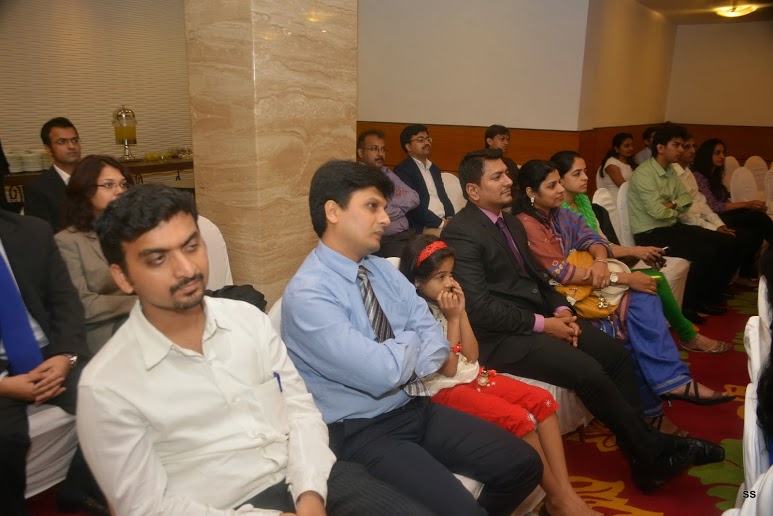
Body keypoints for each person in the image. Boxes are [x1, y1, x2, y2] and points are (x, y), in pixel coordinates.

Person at [79, 184, 423, 515]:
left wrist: (309, 493)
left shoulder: (248, 321)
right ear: (123, 278)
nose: (186, 269)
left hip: (309, 478)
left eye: (191, 246)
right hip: (217, 506)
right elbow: (144, 507)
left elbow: (301, 412)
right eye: (157, 259)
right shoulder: (108, 384)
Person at [442, 148, 724, 494]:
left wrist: (561, 311)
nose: (508, 181)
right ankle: (652, 452)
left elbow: (538, 279)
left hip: (540, 318)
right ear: (473, 190)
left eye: (507, 173)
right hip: (502, 337)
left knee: (616, 356)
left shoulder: (510, 222)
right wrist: (544, 324)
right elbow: (481, 308)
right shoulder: (461, 232)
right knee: (589, 371)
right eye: (497, 176)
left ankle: (644, 456)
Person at [281, 160, 542, 515]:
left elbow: (436, 341)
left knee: (523, 465)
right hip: (362, 432)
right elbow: (382, 374)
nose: (385, 219)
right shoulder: (309, 294)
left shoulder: (380, 269)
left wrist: (401, 349)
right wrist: (410, 341)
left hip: (416, 407)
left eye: (384, 208)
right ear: (333, 211)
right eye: (372, 206)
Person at [514, 159, 732, 436]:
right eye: (552, 185)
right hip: (560, 301)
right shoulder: (527, 224)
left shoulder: (561, 214)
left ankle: (665, 392)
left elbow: (595, 241)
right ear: (531, 192)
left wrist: (600, 262)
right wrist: (624, 278)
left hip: (590, 288)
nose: (559, 190)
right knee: (634, 313)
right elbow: (564, 274)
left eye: (559, 182)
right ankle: (663, 395)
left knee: (645, 297)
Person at [400, 234, 599, 516]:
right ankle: (558, 499)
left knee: (543, 402)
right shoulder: (415, 315)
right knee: (520, 420)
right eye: (439, 277)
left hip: (471, 375)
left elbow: (472, 355)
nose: (449, 283)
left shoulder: (449, 303)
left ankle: (564, 492)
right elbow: (449, 367)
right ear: (417, 282)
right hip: (443, 390)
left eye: (451, 274)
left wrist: (462, 312)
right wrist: (453, 318)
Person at [552, 150, 730, 354]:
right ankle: (686, 336)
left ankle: (681, 337)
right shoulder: (558, 212)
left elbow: (602, 243)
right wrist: (635, 251)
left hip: (600, 264)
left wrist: (637, 251)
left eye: (585, 171)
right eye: (577, 174)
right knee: (653, 280)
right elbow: (577, 254)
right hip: (581, 275)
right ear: (560, 179)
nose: (585, 177)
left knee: (654, 279)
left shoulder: (583, 203)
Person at [0, 209, 101, 515]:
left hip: (49, 352)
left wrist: (65, 355)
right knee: (5, 438)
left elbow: (65, 302)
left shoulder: (32, 231)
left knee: (119, 391)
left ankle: (79, 491)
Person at [627, 125, 738, 316]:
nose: (681, 150)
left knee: (726, 242)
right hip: (650, 234)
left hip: (671, 226)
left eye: (682, 145)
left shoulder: (670, 170)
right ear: (660, 148)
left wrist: (670, 205)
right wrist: (675, 208)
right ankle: (689, 304)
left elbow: (686, 199)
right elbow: (657, 212)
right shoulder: (644, 173)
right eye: (676, 145)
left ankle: (708, 295)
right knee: (706, 252)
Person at [55, 155, 135, 355]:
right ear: (86, 191)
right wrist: (141, 303)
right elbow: (81, 305)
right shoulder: (68, 241)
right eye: (108, 185)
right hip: (105, 329)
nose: (119, 191)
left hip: (147, 317)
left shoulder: (134, 232)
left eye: (123, 184)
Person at [692, 139, 773, 287]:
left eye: (723, 153)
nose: (722, 157)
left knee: (755, 228)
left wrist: (749, 207)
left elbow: (724, 200)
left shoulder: (714, 176)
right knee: (758, 218)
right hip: (711, 218)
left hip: (722, 215)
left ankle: (745, 274)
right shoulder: (699, 176)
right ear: (706, 155)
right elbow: (714, 206)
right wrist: (747, 204)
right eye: (717, 153)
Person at [356, 129, 419, 257]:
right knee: (415, 259)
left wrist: (391, 203)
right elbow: (375, 212)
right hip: (384, 240)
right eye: (374, 149)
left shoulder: (387, 172)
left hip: (407, 234)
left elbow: (414, 197)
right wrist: (400, 203)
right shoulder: (359, 177)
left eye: (383, 149)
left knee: (435, 252)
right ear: (360, 152)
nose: (380, 154)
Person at [393, 124, 455, 234]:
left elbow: (443, 197)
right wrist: (441, 224)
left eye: (428, 139)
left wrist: (451, 218)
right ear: (408, 147)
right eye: (421, 140)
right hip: (423, 227)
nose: (427, 143)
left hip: (443, 222)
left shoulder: (434, 169)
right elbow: (413, 208)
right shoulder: (402, 170)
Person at [24, 118, 82, 231]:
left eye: (75, 140)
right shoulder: (37, 188)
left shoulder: (94, 177)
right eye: (62, 142)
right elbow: (40, 232)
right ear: (48, 149)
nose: (71, 146)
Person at [595, 132, 636, 204]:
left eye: (631, 145)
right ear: (617, 149)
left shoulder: (629, 162)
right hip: (616, 200)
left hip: (629, 197)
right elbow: (624, 186)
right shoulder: (612, 164)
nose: (631, 148)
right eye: (626, 146)